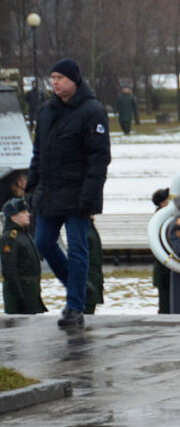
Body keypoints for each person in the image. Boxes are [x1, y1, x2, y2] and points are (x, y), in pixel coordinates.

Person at [26, 58, 111, 328]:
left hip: (78, 193)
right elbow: (38, 153)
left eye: (59, 78)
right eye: (51, 78)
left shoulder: (92, 111)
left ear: (74, 80)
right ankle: (78, 286)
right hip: (50, 192)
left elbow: (99, 158)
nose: (54, 83)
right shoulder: (47, 111)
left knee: (77, 249)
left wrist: (90, 194)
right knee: (43, 242)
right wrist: (31, 186)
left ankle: (74, 307)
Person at [2, 198, 46, 314]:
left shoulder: (25, 234)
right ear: (13, 216)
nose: (28, 214)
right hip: (21, 292)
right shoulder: (10, 237)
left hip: (31, 291)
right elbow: (9, 269)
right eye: (23, 212)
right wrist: (19, 296)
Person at [151, 188, 172, 314]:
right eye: (167, 200)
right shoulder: (159, 219)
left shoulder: (165, 217)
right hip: (163, 269)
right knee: (165, 303)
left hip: (166, 268)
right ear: (162, 203)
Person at [84, 216, 103, 314]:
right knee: (86, 311)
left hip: (94, 277)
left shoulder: (90, 228)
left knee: (90, 310)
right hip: (88, 277)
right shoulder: (85, 230)